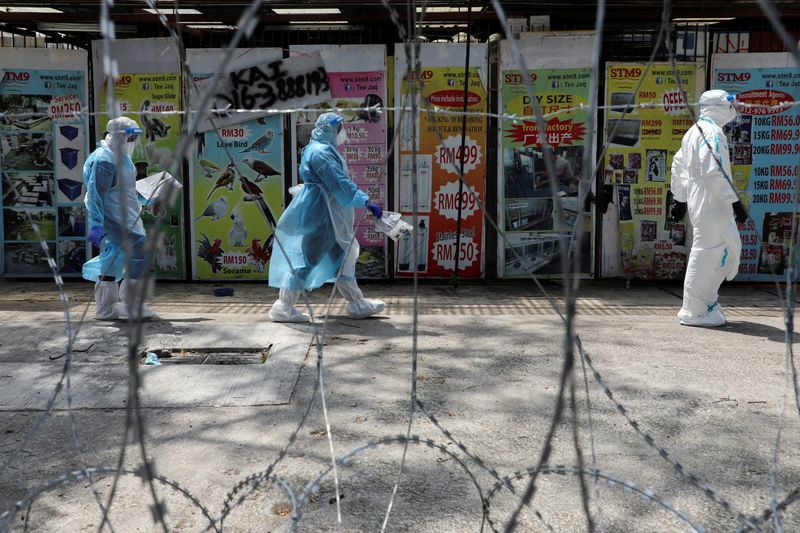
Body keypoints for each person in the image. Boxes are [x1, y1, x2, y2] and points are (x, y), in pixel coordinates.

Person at [268, 112, 385, 322]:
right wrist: (366, 201)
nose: (342, 132)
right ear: (332, 129)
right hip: (324, 216)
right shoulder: (322, 152)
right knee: (309, 259)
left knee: (343, 259)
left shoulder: (318, 148)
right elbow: (340, 184)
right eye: (339, 128)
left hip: (326, 213)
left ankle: (357, 303)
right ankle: (283, 307)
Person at [670, 90, 747, 327]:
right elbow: (714, 171)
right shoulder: (712, 133)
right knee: (709, 253)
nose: (733, 111)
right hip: (712, 202)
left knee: (710, 251)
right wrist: (734, 201)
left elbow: (678, 166)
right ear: (719, 107)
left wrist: (681, 198)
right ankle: (694, 311)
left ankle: (704, 303)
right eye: (730, 105)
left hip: (699, 199)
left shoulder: (693, 131)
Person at [83, 116, 158, 320]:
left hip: (126, 214)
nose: (133, 143)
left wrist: (148, 196)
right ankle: (130, 307)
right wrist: (96, 224)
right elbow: (96, 194)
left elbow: (125, 189)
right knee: (138, 254)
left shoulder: (121, 156)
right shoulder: (104, 160)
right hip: (114, 217)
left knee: (113, 260)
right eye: (131, 138)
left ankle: (106, 309)